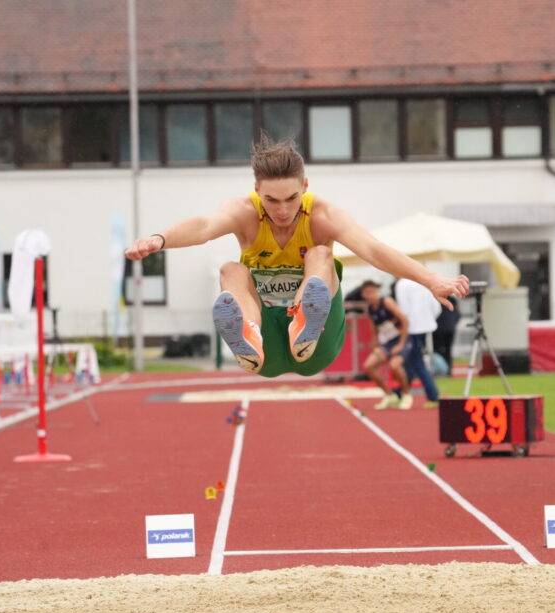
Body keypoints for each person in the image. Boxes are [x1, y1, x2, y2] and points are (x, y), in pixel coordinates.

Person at [125, 134, 469, 377]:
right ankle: (248, 336)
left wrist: (431, 280)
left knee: (321, 254)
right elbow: (203, 227)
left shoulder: (322, 215)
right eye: (271, 201)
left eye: (291, 198)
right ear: (257, 191)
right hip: (270, 339)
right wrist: (159, 239)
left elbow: (372, 248)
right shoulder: (244, 211)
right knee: (231, 269)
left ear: (304, 186)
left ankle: (307, 315)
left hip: (317, 344)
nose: (283, 210)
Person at [359, 280, 413, 409]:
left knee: (394, 366)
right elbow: (373, 331)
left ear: (377, 291)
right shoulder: (370, 309)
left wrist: (400, 344)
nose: (371, 295)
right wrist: (375, 346)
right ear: (363, 295)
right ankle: (390, 395)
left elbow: (405, 321)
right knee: (369, 366)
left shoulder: (387, 302)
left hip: (402, 339)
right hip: (387, 343)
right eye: (367, 292)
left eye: (373, 291)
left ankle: (406, 395)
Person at [394, 277, 441, 407]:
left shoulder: (402, 284)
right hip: (425, 326)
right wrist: (428, 320)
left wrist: (404, 329)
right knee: (412, 362)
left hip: (412, 328)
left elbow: (404, 310)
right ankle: (399, 392)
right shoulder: (424, 281)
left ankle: (433, 396)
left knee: (417, 363)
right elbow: (436, 307)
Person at [431, 294, 459, 375]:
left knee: (437, 350)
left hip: (438, 329)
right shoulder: (453, 300)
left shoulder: (435, 297)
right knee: (448, 350)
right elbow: (457, 314)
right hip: (450, 328)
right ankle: (449, 371)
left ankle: (441, 370)